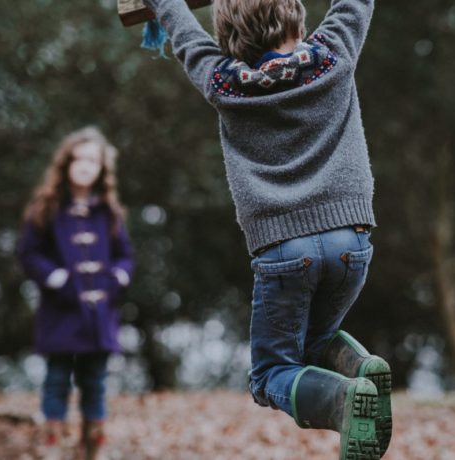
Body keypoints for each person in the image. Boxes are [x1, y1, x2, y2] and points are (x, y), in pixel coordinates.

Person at [138, 0, 389, 457]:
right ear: (294, 12)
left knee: (270, 374)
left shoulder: (223, 82)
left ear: (230, 35)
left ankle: (345, 399)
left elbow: (182, 29)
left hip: (283, 252)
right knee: (313, 345)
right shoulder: (335, 54)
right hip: (352, 242)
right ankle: (364, 370)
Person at [17, 127, 134, 460]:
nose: (85, 166)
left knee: (95, 382)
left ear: (101, 169)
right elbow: (28, 253)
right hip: (61, 313)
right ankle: (51, 449)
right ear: (65, 163)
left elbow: (125, 254)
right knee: (56, 379)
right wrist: (54, 278)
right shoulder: (46, 208)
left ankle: (91, 451)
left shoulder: (109, 212)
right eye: (79, 159)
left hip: (100, 316)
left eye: (92, 161)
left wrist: (118, 278)